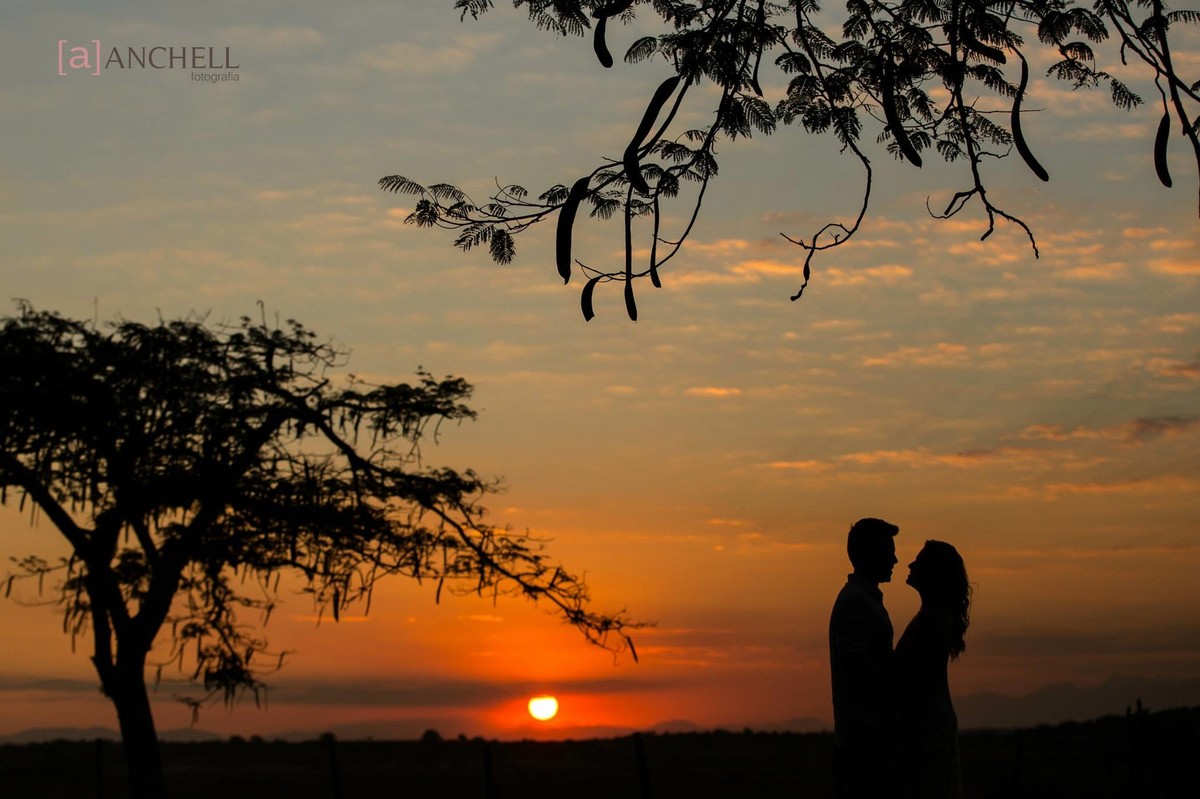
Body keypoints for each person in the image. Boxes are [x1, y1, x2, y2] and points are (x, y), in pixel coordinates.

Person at [889, 540, 972, 799]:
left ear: (934, 572)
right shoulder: (929, 615)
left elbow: (929, 682)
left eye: (920, 561)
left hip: (928, 722)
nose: (911, 564)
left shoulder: (936, 619)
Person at [829, 517, 899, 799]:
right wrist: (895, 688)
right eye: (888, 550)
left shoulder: (864, 599)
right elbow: (853, 663)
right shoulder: (856, 601)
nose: (895, 559)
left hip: (871, 733)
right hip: (866, 736)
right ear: (869, 553)